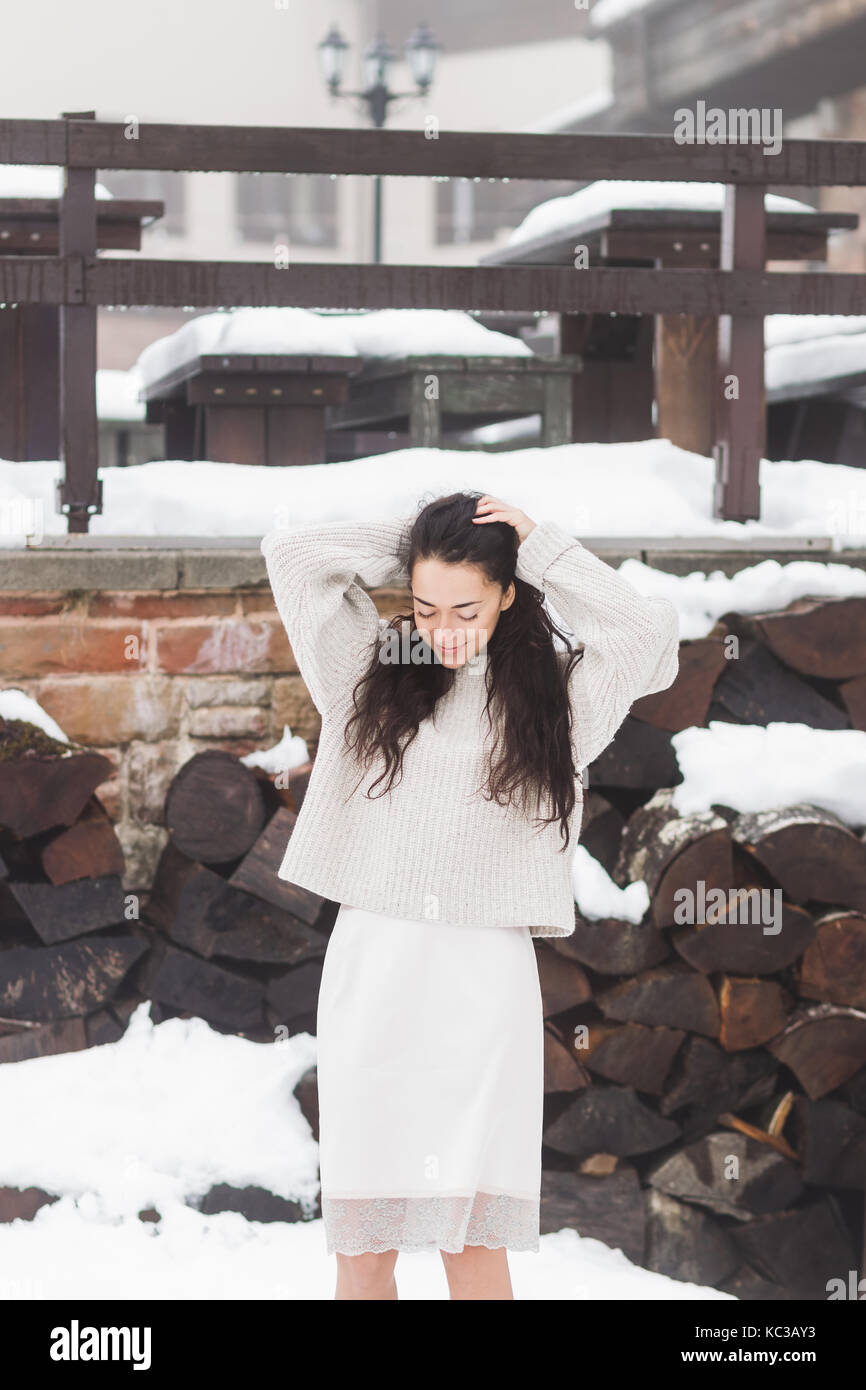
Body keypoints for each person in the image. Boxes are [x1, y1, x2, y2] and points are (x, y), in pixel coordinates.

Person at [260, 489, 680, 1300]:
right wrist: (424, 539)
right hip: (374, 970)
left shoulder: (556, 702)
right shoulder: (364, 672)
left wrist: (539, 543)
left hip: (482, 986)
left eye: (466, 607)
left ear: (509, 593)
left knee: (474, 1246)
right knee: (365, 1249)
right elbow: (295, 556)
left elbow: (645, 637)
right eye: (423, 606)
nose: (441, 629)